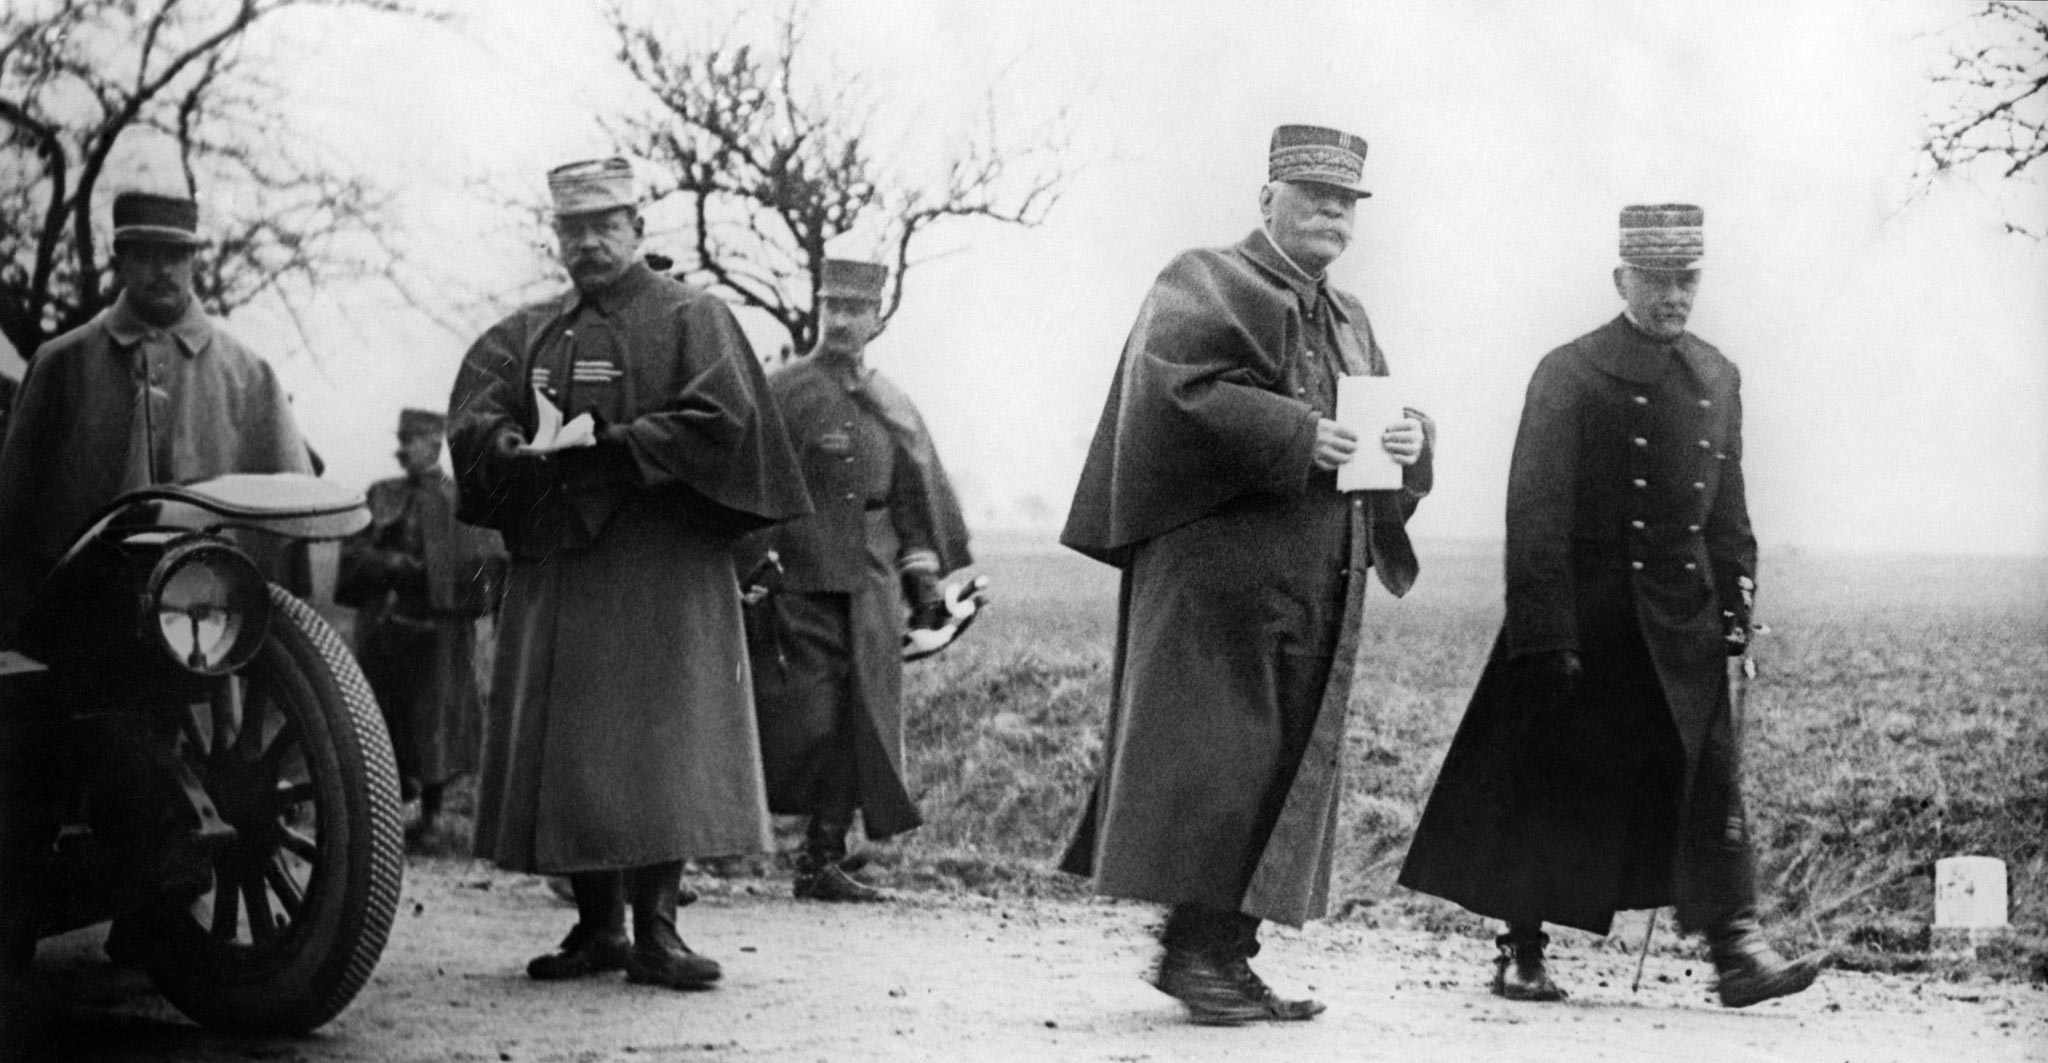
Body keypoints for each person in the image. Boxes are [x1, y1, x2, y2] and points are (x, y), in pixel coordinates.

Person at [1397, 204, 1823, 1009]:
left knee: (1705, 781)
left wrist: (1736, 606)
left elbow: (1726, 509)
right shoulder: (1570, 370)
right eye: (1657, 279)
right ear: (1621, 277)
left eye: (1687, 278)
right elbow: (1534, 509)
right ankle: (1521, 948)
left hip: (1681, 618)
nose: (1674, 294)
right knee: (1547, 780)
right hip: (1584, 617)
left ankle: (1737, 946)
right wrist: (1545, 632)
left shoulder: (1718, 374)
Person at [1059, 124, 1434, 1025]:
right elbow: (1175, 393)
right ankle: (1191, 953)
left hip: (1313, 582)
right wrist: (1301, 435)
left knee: (1279, 770)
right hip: (1215, 581)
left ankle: (1230, 953)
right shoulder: (1205, 278)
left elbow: (1373, 424)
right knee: (1213, 766)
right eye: (1313, 194)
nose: (1331, 213)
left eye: (1345, 201)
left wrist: (1412, 438)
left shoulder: (1350, 317)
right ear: (1267, 197)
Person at [447, 157, 810, 991]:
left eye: (605, 224)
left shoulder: (696, 317)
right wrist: (505, 445)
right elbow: (475, 417)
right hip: (561, 570)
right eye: (573, 229)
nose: (588, 242)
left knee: (662, 743)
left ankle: (659, 929)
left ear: (639, 228)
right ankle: (596, 926)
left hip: (663, 567)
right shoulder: (530, 330)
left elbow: (726, 420)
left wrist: (619, 446)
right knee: (571, 749)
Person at [740, 259, 972, 902]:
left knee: (857, 724)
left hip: (869, 590)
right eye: (831, 306)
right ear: (818, 308)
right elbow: (747, 486)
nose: (841, 319)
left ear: (877, 318)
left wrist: (924, 588)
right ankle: (689, 848)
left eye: (855, 309)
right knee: (801, 723)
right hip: (796, 583)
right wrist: (752, 570)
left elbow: (912, 507)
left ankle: (822, 857)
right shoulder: (780, 391)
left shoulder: (892, 403)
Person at [0, 189, 314, 644]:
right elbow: (12, 509)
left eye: (176, 255)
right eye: (145, 254)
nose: (162, 270)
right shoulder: (61, 364)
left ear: (193, 262)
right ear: (120, 261)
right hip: (79, 622)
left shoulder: (250, 376)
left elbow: (292, 518)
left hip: (206, 622)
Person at [337, 408, 504, 846]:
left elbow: (481, 565)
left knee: (435, 723)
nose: (402, 449)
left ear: (434, 444)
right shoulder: (380, 495)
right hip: (386, 627)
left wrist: (441, 582)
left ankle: (431, 817)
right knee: (381, 717)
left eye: (411, 440)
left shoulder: (461, 500)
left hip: (439, 635)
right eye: (402, 439)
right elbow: (353, 555)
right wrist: (392, 565)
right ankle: (382, 814)